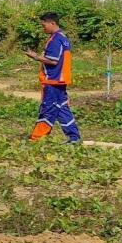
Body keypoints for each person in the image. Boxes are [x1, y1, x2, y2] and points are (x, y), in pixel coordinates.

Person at [25, 12, 81, 144]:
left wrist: (35, 57)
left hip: (52, 80)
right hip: (60, 80)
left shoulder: (55, 39)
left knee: (48, 108)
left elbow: (53, 61)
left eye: (44, 25)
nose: (43, 27)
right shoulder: (63, 38)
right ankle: (74, 137)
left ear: (52, 23)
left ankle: (37, 138)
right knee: (62, 108)